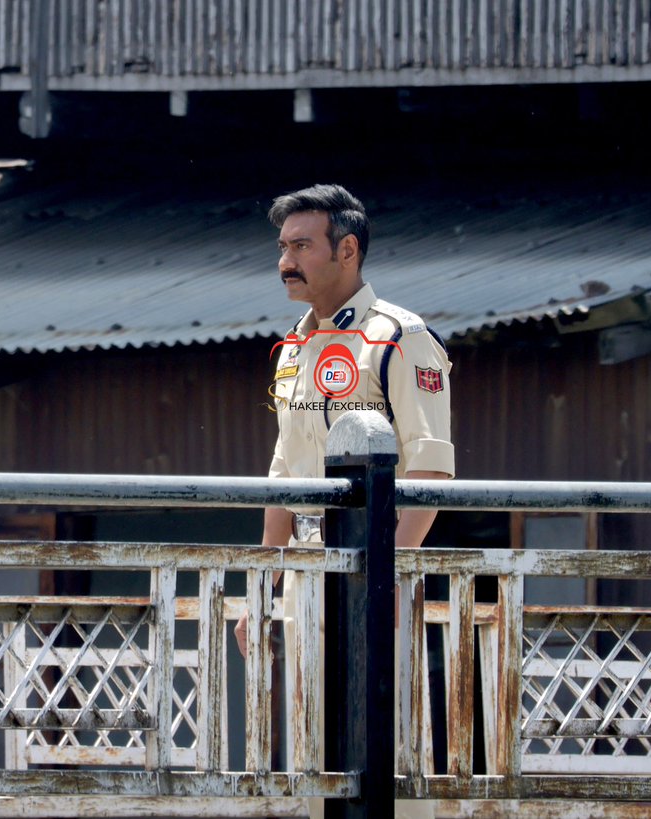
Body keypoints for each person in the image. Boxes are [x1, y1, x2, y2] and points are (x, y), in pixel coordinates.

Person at [235, 183, 454, 819]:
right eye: (282, 247)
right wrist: (261, 587)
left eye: (301, 246)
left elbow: (432, 469)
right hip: (306, 571)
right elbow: (284, 472)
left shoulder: (400, 338)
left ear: (348, 249)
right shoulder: (294, 343)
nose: (285, 262)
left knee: (385, 745)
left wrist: (382, 579)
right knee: (312, 745)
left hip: (377, 566)